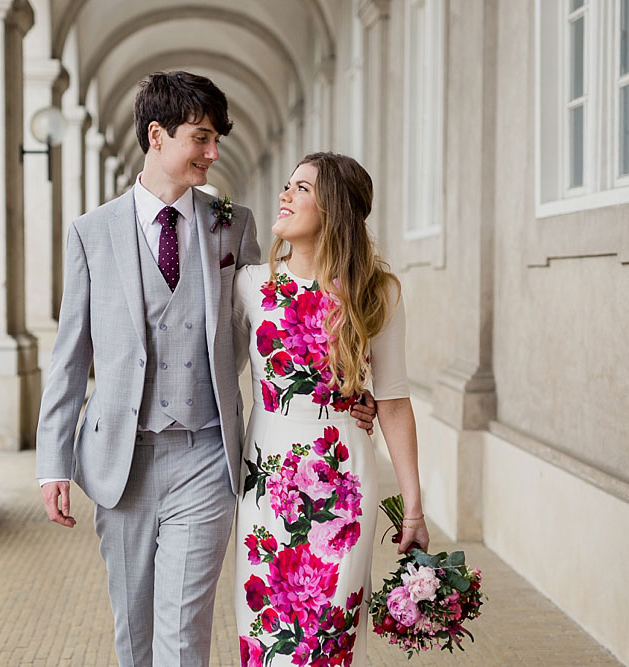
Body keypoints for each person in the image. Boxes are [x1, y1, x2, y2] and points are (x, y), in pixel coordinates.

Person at [35, 72, 376, 667]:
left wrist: (341, 391)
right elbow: (69, 355)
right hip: (121, 457)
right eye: (201, 138)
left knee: (185, 627)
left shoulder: (233, 223)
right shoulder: (92, 232)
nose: (213, 153)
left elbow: (278, 316)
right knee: (134, 630)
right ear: (158, 136)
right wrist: (51, 463)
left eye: (217, 138)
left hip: (205, 454)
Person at [232, 152, 429, 666]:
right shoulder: (250, 285)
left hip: (343, 484)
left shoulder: (376, 293)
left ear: (335, 207)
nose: (285, 195)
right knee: (267, 639)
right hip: (267, 485)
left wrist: (413, 505)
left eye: (301, 188)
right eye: (287, 185)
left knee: (329, 641)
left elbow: (393, 399)